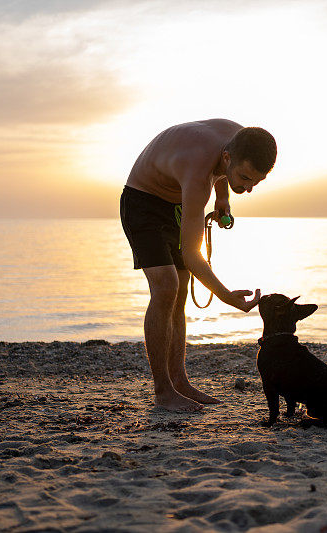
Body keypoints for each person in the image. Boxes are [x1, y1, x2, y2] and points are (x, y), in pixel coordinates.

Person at [120, 119, 277, 412]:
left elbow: (223, 173)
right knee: (167, 287)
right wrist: (226, 296)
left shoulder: (241, 138)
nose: (249, 188)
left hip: (175, 200)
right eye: (244, 178)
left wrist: (224, 196)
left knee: (179, 296)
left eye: (256, 182)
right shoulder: (197, 173)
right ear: (228, 158)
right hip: (142, 200)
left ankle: (179, 381)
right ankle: (163, 391)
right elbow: (193, 256)